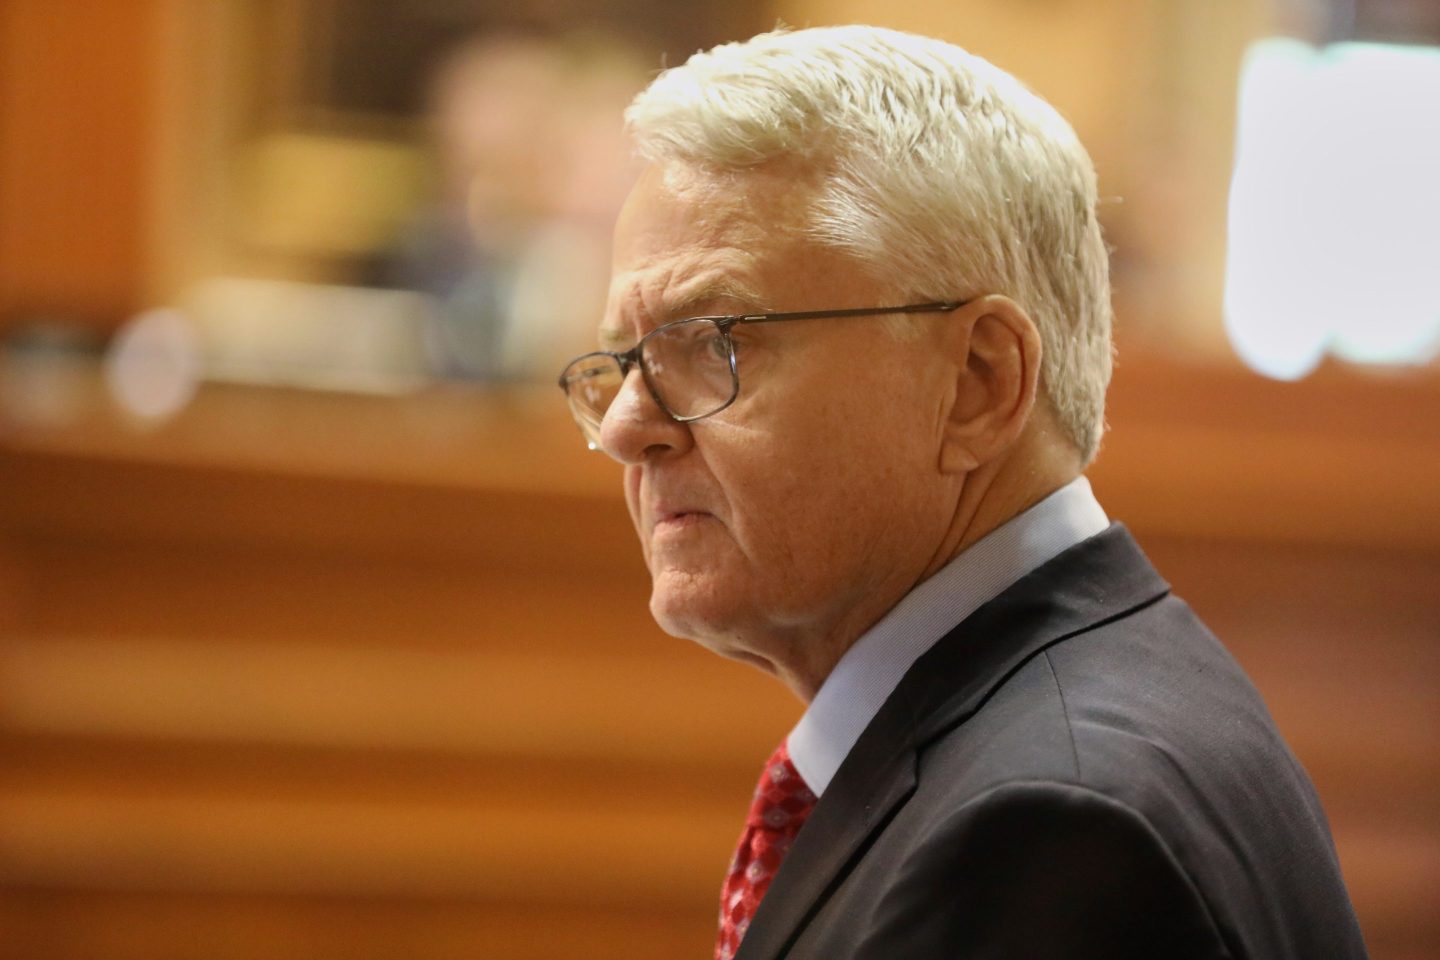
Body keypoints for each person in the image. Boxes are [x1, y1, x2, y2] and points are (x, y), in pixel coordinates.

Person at [556, 25, 1367, 960]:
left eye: (715, 344)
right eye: (623, 359)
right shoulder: (1067, 714)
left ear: (979, 382)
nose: (623, 427)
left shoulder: (1046, 829)